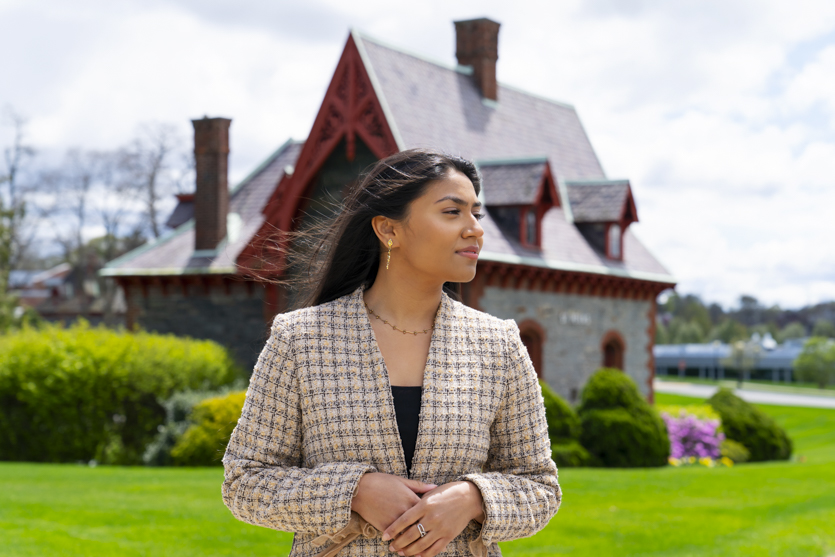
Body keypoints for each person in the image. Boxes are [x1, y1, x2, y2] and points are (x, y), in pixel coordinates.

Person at [222, 149, 561, 557]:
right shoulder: (300, 340)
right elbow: (245, 482)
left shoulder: (499, 344)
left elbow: (539, 486)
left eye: (476, 213)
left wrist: (472, 497)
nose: (474, 229)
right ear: (388, 229)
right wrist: (353, 491)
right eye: (452, 212)